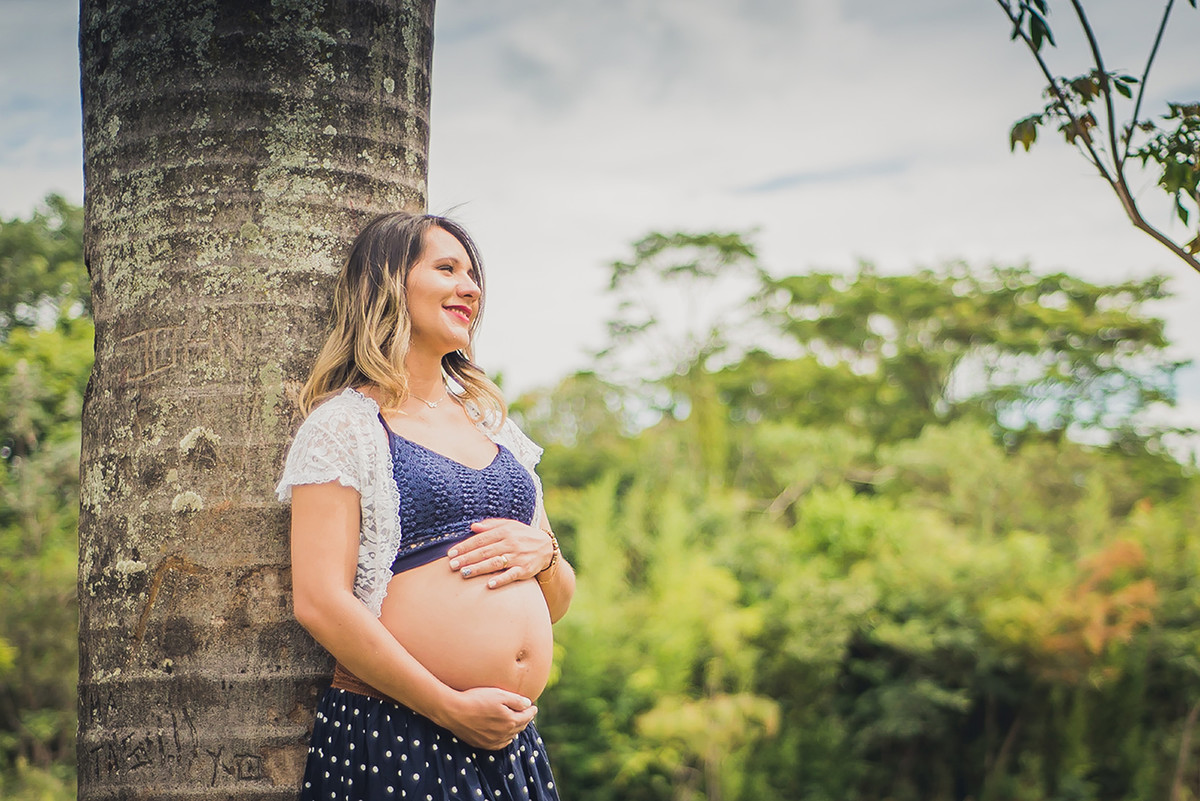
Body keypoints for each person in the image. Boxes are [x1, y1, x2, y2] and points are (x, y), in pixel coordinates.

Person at [276, 211, 575, 801]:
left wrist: (545, 557)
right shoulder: (344, 426)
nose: (471, 287)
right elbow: (319, 601)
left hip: (508, 741)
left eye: (473, 275)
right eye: (447, 269)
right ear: (389, 283)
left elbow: (558, 601)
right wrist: (450, 707)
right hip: (400, 729)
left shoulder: (495, 429)